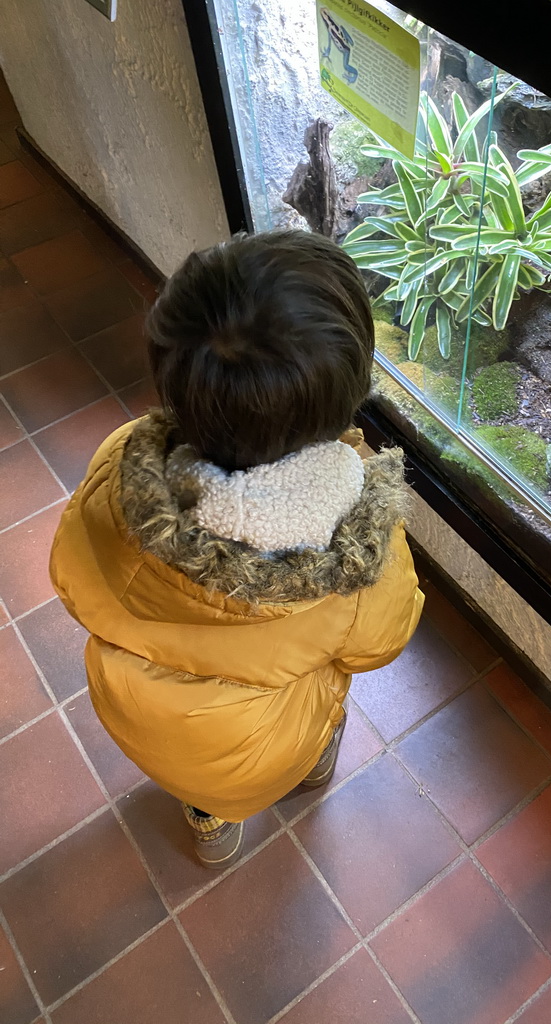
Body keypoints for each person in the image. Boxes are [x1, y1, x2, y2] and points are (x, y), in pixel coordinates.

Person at [49, 230, 424, 869]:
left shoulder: (121, 462)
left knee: (204, 773)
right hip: (259, 747)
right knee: (316, 705)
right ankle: (311, 765)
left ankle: (210, 823)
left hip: (137, 719)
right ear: (350, 391)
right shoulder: (354, 558)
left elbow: (69, 569)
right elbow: (382, 643)